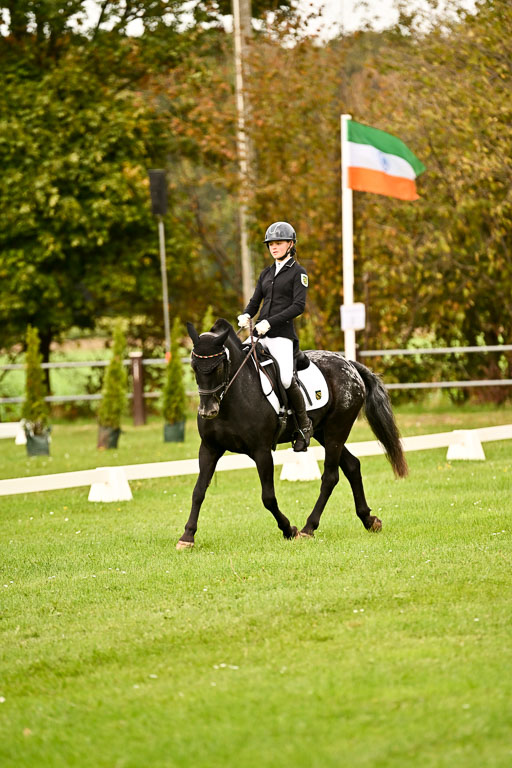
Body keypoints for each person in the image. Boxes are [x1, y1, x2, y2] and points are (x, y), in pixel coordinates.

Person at [237, 221, 312, 452]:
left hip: (281, 336)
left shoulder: (298, 273)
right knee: (239, 365)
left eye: (279, 243)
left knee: (287, 380)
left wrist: (270, 322)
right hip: (260, 333)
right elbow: (255, 300)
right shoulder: (266, 273)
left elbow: (298, 306)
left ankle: (303, 426)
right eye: (271, 244)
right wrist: (247, 314)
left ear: (290, 244)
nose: (274, 247)